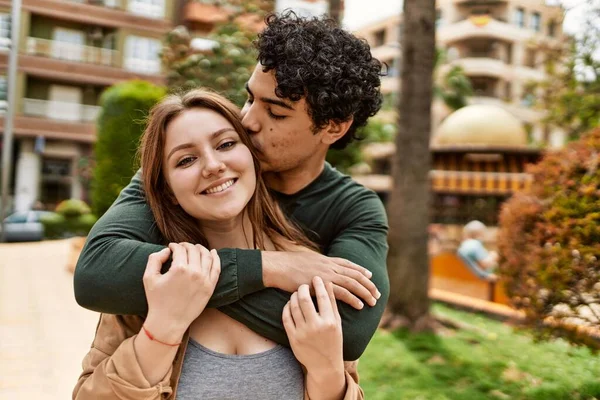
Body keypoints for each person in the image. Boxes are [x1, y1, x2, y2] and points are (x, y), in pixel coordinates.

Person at [74, 12, 389, 362]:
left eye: (277, 113)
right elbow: (97, 274)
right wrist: (271, 268)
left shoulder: (352, 208)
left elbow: (348, 330)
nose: (248, 120)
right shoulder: (202, 172)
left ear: (333, 128)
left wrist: (183, 286)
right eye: (250, 98)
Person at [73, 89, 363, 399]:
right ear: (167, 190)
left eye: (225, 144)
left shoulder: (308, 271)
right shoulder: (153, 277)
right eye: (186, 160)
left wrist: (327, 372)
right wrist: (162, 330)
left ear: (254, 158)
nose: (212, 166)